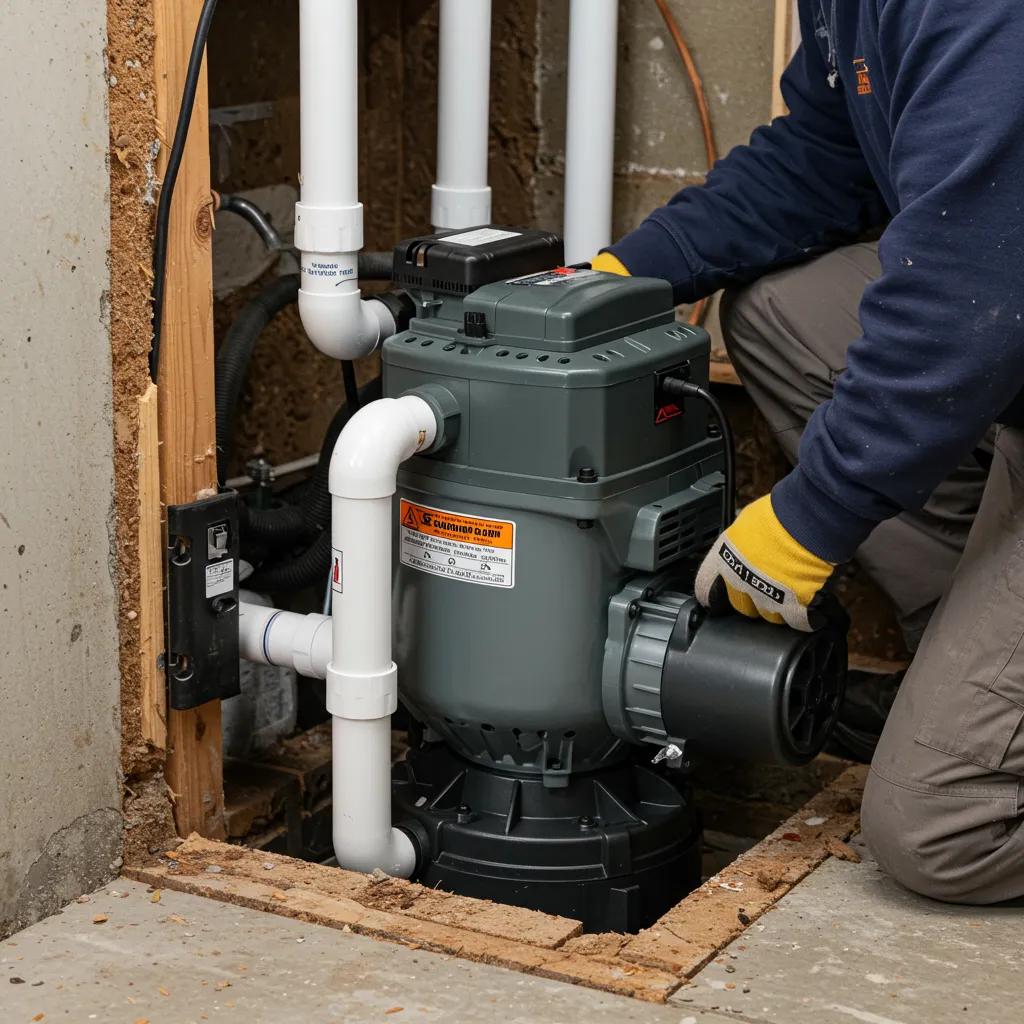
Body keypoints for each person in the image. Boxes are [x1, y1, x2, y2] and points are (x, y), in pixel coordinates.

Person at [592, 0, 1024, 905]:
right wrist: (620, 279)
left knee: (936, 826)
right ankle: (977, 669)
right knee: (782, 314)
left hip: (998, 295)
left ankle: (977, 748)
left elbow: (973, 286)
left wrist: (807, 520)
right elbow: (824, 159)